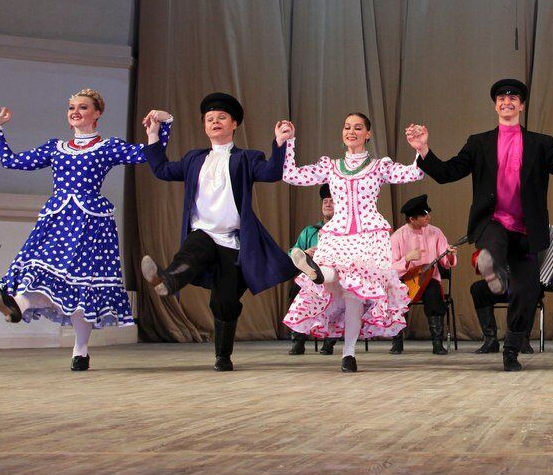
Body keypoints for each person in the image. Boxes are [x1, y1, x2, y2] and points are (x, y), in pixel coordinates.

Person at [406, 78, 553, 371]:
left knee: (527, 292)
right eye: (502, 98)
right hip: (492, 221)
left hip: (527, 231)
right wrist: (424, 150)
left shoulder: (541, 143)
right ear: (495, 105)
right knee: (493, 245)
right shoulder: (478, 142)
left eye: (513, 97)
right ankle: (490, 265)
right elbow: (447, 173)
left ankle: (511, 350)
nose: (507, 101)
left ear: (521, 105)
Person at [0, 92, 169, 371]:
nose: (75, 111)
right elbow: (12, 161)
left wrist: (157, 129)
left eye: (82, 107)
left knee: (81, 285)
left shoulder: (107, 147)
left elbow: (149, 156)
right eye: (71, 107)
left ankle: (80, 349)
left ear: (97, 113)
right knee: (41, 269)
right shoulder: (56, 148)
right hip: (57, 220)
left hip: (91, 222)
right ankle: (16, 305)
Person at [140, 93, 296, 372]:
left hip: (232, 242)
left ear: (233, 124)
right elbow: (162, 169)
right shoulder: (194, 158)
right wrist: (153, 134)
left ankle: (223, 356)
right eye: (209, 119)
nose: (215, 122)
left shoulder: (247, 158)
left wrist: (281, 142)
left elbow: (272, 173)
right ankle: (169, 280)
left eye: (221, 117)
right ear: (204, 126)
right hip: (203, 232)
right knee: (194, 247)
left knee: (224, 301)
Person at [281, 113, 423, 373]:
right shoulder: (331, 166)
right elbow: (291, 175)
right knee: (331, 271)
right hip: (338, 231)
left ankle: (349, 353)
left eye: (358, 128)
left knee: (353, 295)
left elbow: (415, 173)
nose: (351, 131)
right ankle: (316, 273)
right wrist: (289, 142)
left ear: (367, 134)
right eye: (347, 127)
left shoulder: (379, 166)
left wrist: (420, 148)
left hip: (368, 235)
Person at [468, 250, 553, 355]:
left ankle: (522, 339)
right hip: (505, 283)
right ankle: (491, 340)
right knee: (478, 289)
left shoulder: (542, 241)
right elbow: (479, 257)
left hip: (530, 285)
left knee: (529, 288)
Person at [389, 194, 458, 355]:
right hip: (405, 280)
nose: (428, 217)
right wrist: (407, 259)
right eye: (424, 215)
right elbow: (390, 268)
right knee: (396, 293)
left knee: (434, 292)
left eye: (428, 213)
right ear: (412, 219)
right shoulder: (398, 236)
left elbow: (445, 261)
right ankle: (397, 342)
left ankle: (437, 343)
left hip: (428, 279)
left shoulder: (435, 232)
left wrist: (449, 254)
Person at [286, 184, 334, 355]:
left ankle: (329, 341)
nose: (327, 204)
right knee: (296, 290)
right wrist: (305, 253)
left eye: (332, 201)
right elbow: (292, 252)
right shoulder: (310, 231)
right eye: (325, 201)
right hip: (311, 277)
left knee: (337, 293)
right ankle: (298, 340)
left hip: (334, 277)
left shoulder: (344, 231)